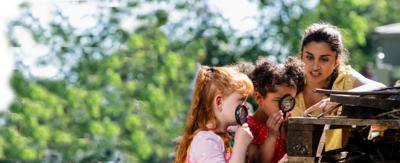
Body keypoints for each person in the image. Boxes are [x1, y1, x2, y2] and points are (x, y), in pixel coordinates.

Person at [291, 23, 386, 151]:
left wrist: (340, 99)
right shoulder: (290, 81)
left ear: (336, 62)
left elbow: (380, 88)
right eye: (309, 57)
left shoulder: (344, 79)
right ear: (301, 56)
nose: (315, 66)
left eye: (324, 59)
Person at [175, 66, 254, 163]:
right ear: (219, 102)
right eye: (241, 100)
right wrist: (240, 147)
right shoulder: (205, 141)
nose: (247, 107)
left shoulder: (229, 136)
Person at [246, 57, 305, 163]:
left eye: (289, 101)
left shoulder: (285, 124)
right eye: (279, 100)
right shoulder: (248, 127)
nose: (285, 107)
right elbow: (256, 161)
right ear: (259, 98)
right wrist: (272, 136)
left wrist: (290, 132)